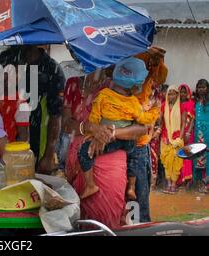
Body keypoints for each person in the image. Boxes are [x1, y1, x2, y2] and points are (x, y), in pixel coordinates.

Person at [64, 66, 147, 228]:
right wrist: (89, 127)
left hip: (110, 159)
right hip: (78, 157)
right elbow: (65, 124)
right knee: (79, 216)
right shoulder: (73, 84)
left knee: (106, 217)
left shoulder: (119, 85)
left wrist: (112, 133)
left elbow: (142, 128)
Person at [77, 57, 160, 200]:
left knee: (85, 152)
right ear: (134, 86)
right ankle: (131, 187)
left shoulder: (103, 95)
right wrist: (155, 110)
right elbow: (144, 119)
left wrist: (97, 131)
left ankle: (90, 185)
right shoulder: (134, 102)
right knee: (132, 157)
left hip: (108, 145)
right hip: (126, 144)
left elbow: (94, 119)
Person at [0, 45, 65, 174]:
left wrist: (48, 155)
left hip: (37, 142)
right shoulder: (7, 57)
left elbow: (56, 115)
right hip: (3, 141)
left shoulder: (52, 69)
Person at [133, 46, 168, 222]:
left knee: (142, 189)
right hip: (129, 138)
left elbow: (161, 77)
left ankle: (142, 223)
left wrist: (157, 60)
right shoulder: (126, 54)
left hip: (141, 141)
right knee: (136, 190)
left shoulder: (148, 56)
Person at [159, 86, 184, 194]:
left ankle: (174, 184)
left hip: (177, 138)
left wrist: (180, 138)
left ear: (177, 95)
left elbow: (183, 124)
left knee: (176, 161)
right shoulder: (163, 106)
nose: (171, 96)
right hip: (165, 137)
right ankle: (168, 183)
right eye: (169, 94)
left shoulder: (181, 107)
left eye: (173, 94)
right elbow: (161, 123)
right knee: (166, 162)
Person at [176, 84, 195, 188]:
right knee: (179, 154)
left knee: (187, 155)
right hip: (178, 133)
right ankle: (179, 179)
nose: (182, 94)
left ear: (187, 93)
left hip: (187, 133)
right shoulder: (176, 104)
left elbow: (192, 119)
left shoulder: (190, 103)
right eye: (180, 92)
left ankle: (188, 180)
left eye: (184, 92)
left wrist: (188, 132)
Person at [194, 79, 209, 193]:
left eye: (203, 87)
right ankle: (201, 183)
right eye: (199, 87)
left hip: (208, 133)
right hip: (198, 134)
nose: (201, 89)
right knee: (199, 158)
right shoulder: (196, 102)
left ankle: (207, 185)